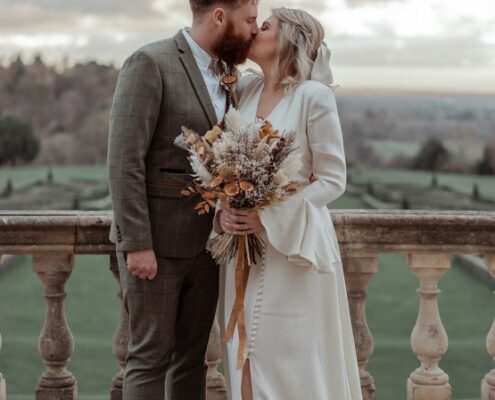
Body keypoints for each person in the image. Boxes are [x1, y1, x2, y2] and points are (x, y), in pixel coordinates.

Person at [106, 1, 258, 398]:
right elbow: (124, 161)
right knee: (149, 357)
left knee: (192, 360)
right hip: (156, 248)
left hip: (209, 248)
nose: (254, 31)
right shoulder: (149, 63)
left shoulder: (229, 75)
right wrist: (137, 244)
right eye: (249, 21)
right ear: (220, 16)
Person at [215, 8, 363, 400]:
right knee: (240, 359)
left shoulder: (312, 97)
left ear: (289, 39)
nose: (254, 33)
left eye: (264, 27)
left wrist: (267, 215)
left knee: (283, 363)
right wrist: (225, 209)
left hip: (293, 252)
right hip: (241, 254)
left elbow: (333, 179)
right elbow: (224, 165)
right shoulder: (244, 91)